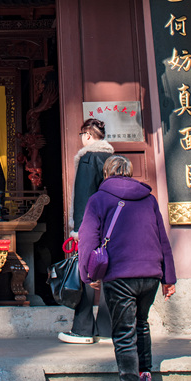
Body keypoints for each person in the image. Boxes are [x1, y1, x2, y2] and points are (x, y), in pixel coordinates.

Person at [78, 155, 175, 381]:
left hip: (119, 274)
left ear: (106, 173)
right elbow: (163, 239)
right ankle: (145, 376)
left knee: (124, 331)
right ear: (130, 172)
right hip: (151, 274)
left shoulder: (98, 199)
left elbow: (88, 239)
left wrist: (87, 274)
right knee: (141, 324)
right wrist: (168, 278)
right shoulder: (149, 199)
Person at [58, 117, 115, 344]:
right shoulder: (113, 159)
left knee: (86, 274)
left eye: (82, 135)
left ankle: (83, 329)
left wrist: (79, 230)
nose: (81, 139)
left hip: (91, 226)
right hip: (112, 225)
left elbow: (83, 197)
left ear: (88, 136)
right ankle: (108, 328)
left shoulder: (87, 158)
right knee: (110, 275)